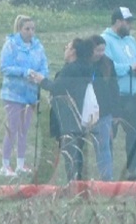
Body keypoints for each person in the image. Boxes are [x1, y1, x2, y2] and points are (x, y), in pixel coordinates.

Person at [30, 38, 96, 183]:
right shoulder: (85, 67)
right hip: (80, 115)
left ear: (73, 51)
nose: (65, 49)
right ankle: (79, 181)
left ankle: (73, 183)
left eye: (67, 47)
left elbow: (57, 88)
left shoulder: (70, 69)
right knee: (79, 152)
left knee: (70, 152)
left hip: (68, 116)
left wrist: (41, 80)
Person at [0, 14, 49, 177]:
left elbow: (44, 66)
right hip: (13, 93)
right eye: (27, 29)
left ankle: (21, 163)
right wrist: (23, 72)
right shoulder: (11, 45)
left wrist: (40, 76)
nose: (30, 32)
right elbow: (5, 68)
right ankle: (5, 164)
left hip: (30, 94)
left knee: (24, 129)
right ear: (19, 29)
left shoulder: (38, 47)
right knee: (12, 128)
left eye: (33, 29)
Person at [101, 7, 136, 180]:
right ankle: (107, 170)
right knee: (109, 134)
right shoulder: (105, 40)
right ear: (118, 22)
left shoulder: (131, 41)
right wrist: (128, 68)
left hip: (132, 96)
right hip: (114, 97)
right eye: (127, 22)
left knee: (135, 132)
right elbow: (107, 67)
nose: (130, 25)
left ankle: (133, 167)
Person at [88, 35, 120, 180]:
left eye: (103, 50)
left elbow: (114, 88)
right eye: (97, 50)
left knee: (104, 146)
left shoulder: (108, 64)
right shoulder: (82, 64)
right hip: (85, 111)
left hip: (104, 111)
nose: (100, 54)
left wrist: (115, 112)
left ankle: (107, 179)